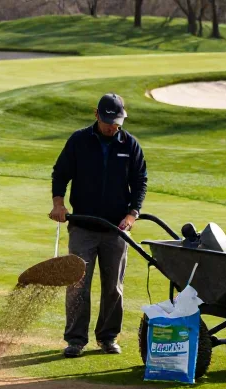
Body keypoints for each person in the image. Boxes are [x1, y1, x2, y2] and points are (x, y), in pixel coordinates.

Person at [49, 93, 147, 358]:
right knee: (78, 284)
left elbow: (140, 182)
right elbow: (60, 173)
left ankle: (107, 337)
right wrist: (58, 204)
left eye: (116, 122)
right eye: (107, 121)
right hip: (82, 225)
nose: (111, 126)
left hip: (116, 229)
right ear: (96, 115)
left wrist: (132, 215)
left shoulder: (130, 144)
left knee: (114, 286)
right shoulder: (79, 140)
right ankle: (76, 340)